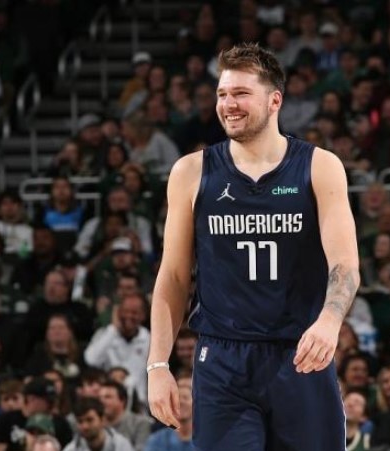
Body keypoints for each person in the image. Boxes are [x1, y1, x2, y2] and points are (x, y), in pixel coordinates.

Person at [147, 43, 359, 450]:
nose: (229, 105)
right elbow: (172, 276)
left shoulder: (320, 166)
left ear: (274, 100)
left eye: (241, 93)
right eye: (222, 94)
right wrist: (157, 364)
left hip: (300, 354)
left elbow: (345, 264)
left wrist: (330, 321)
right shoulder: (191, 172)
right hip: (223, 362)